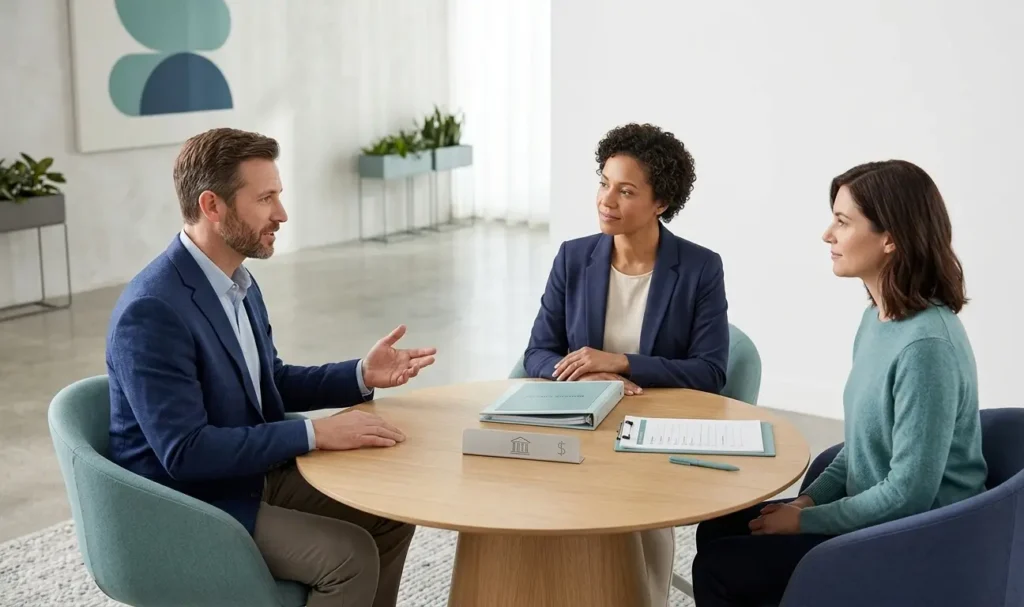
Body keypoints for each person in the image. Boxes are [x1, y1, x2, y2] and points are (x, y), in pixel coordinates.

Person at [106, 127, 437, 607]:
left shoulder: (237, 280)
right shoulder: (154, 309)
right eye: (265, 199)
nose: (281, 214)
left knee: (392, 511)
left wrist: (360, 374)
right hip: (190, 502)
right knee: (348, 556)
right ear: (211, 206)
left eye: (278, 196)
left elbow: (267, 384)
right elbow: (186, 452)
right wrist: (315, 435)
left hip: (247, 471)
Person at [690, 160, 989, 606]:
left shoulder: (927, 347)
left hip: (918, 540)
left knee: (722, 568)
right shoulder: (878, 318)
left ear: (890, 238)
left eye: (843, 221)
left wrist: (805, 523)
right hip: (880, 516)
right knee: (717, 529)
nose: (827, 234)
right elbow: (863, 444)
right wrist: (806, 504)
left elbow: (909, 494)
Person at [522, 123, 730, 606]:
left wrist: (623, 363)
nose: (606, 200)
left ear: (660, 203)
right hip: (584, 417)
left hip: (658, 429)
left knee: (640, 526)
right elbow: (536, 353)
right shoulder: (573, 258)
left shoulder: (700, 268)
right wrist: (590, 375)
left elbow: (711, 371)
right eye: (603, 182)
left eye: (626, 190)